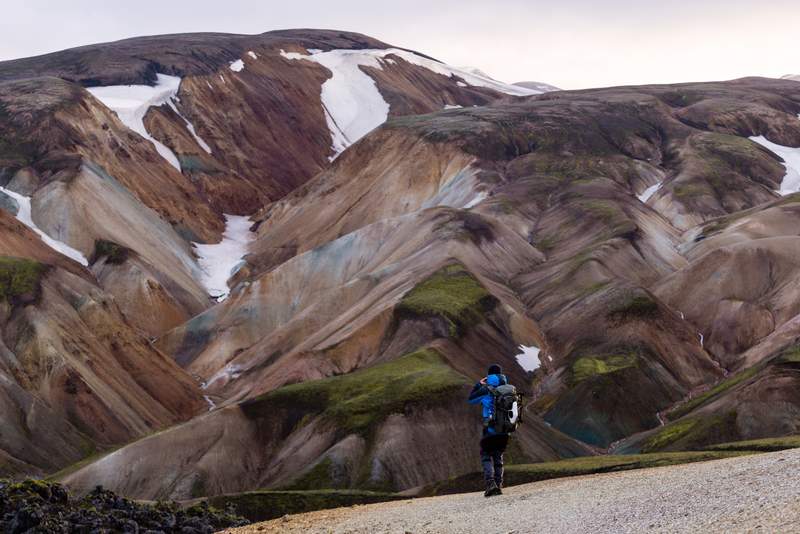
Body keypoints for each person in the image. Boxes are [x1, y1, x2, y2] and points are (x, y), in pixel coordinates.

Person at [468, 363, 510, 497]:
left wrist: (479, 384)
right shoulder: (509, 389)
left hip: (490, 429)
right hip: (505, 429)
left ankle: (490, 484)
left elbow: (471, 399)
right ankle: (499, 484)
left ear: (489, 376)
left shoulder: (486, 389)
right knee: (498, 457)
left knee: (486, 456)